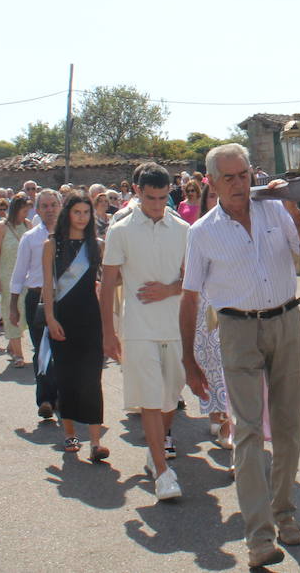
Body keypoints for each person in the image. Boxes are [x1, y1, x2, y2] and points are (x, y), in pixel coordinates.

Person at [182, 143, 300, 569]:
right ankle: (259, 535)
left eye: (244, 174)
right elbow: (189, 299)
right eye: (229, 177)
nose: (240, 184)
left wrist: (294, 211)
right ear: (211, 182)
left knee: (288, 425)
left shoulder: (274, 210)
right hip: (238, 330)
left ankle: (285, 512)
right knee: (246, 432)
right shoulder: (202, 232)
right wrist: (190, 363)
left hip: (286, 321)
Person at [101, 164, 190, 501]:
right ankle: (163, 472)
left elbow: (195, 280)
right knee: (151, 400)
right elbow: (108, 283)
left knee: (170, 397)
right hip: (137, 328)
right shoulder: (120, 230)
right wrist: (108, 333)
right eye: (150, 198)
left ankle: (154, 453)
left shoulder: (183, 229)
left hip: (175, 326)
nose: (156, 204)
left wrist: (169, 290)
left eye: (163, 197)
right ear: (137, 192)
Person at [41, 192, 107, 460]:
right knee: (66, 377)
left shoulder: (97, 244)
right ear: (67, 213)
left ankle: (94, 443)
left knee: (92, 378)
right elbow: (47, 284)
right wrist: (50, 318)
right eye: (77, 212)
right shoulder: (52, 244)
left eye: (86, 212)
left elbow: (108, 280)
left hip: (91, 317)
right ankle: (69, 434)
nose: (82, 217)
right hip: (63, 316)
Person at [11, 188, 62, 419]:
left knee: (63, 349)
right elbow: (19, 272)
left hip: (64, 297)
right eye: (45, 206)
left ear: (60, 206)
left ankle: (62, 394)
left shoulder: (70, 235)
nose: (49, 210)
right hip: (37, 298)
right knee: (41, 349)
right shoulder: (30, 238)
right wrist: (13, 304)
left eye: (53, 205)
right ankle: (46, 399)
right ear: (37, 209)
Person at [191, 182, 232, 449]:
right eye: (213, 196)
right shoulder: (199, 232)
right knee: (210, 359)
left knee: (229, 358)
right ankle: (215, 412)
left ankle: (231, 418)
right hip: (207, 302)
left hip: (233, 300)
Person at [0, 193, 31, 365]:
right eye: (24, 210)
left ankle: (12, 344)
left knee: (24, 311)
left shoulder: (28, 225)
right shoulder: (1, 228)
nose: (26, 214)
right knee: (11, 312)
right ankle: (18, 354)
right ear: (16, 209)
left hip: (26, 276)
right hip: (7, 275)